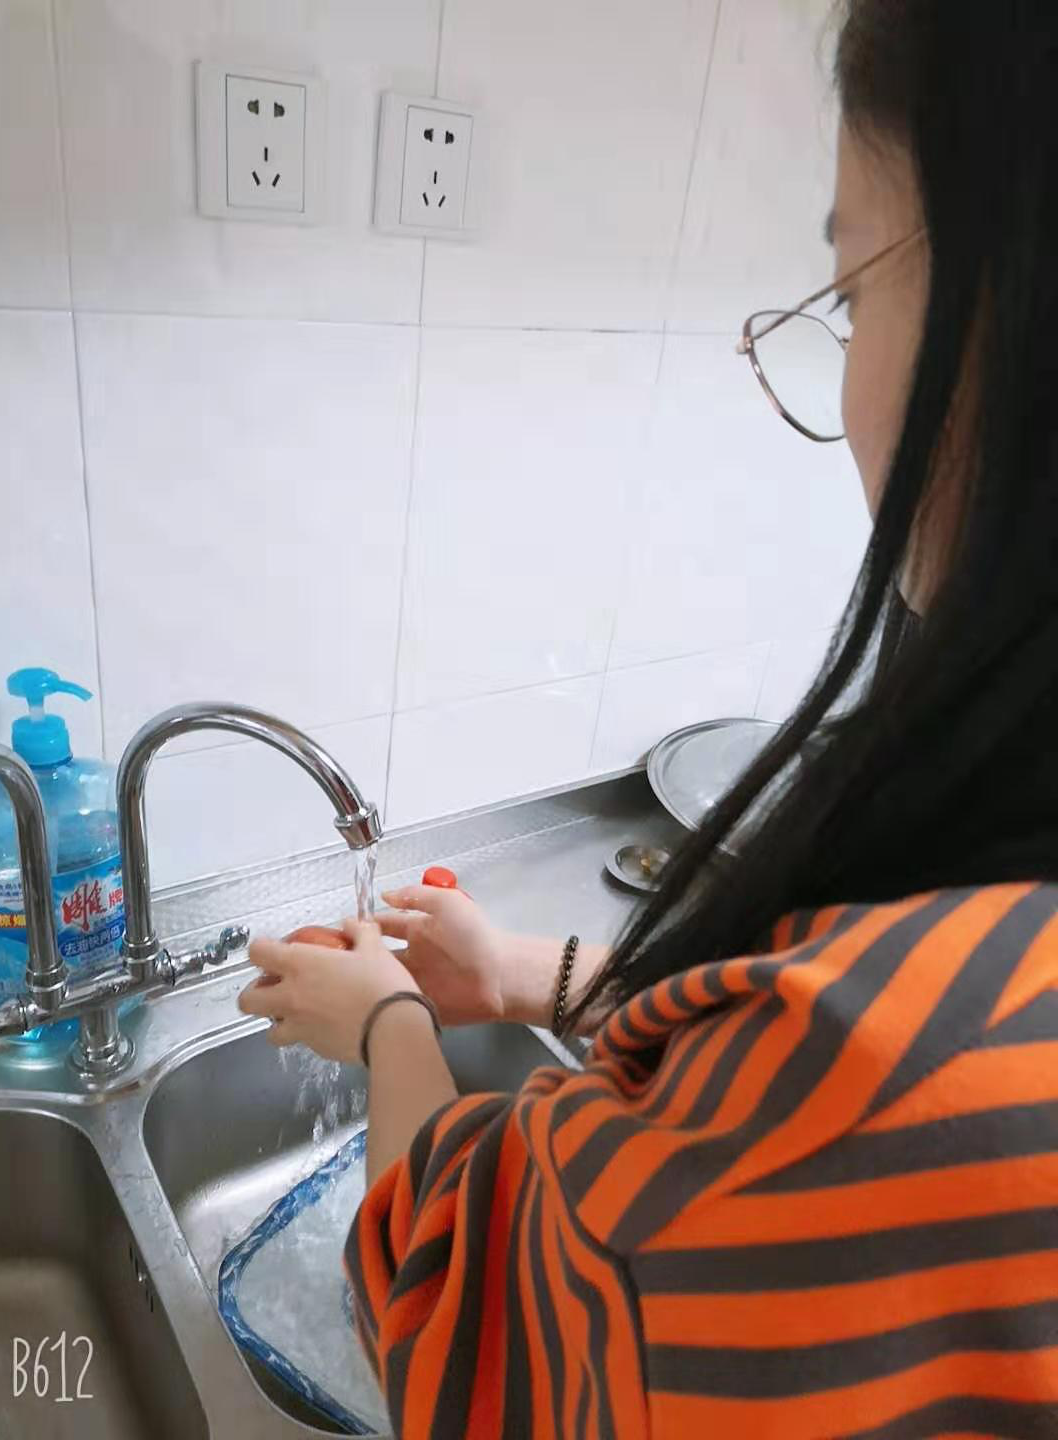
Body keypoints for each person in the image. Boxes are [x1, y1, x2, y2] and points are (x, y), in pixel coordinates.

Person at [238, 2, 1058, 1433]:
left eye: (851, 294)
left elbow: (467, 1326)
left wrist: (390, 1031)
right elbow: (782, 1016)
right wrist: (525, 973)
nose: (847, 366)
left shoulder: (903, 1065)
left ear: (1007, 322)